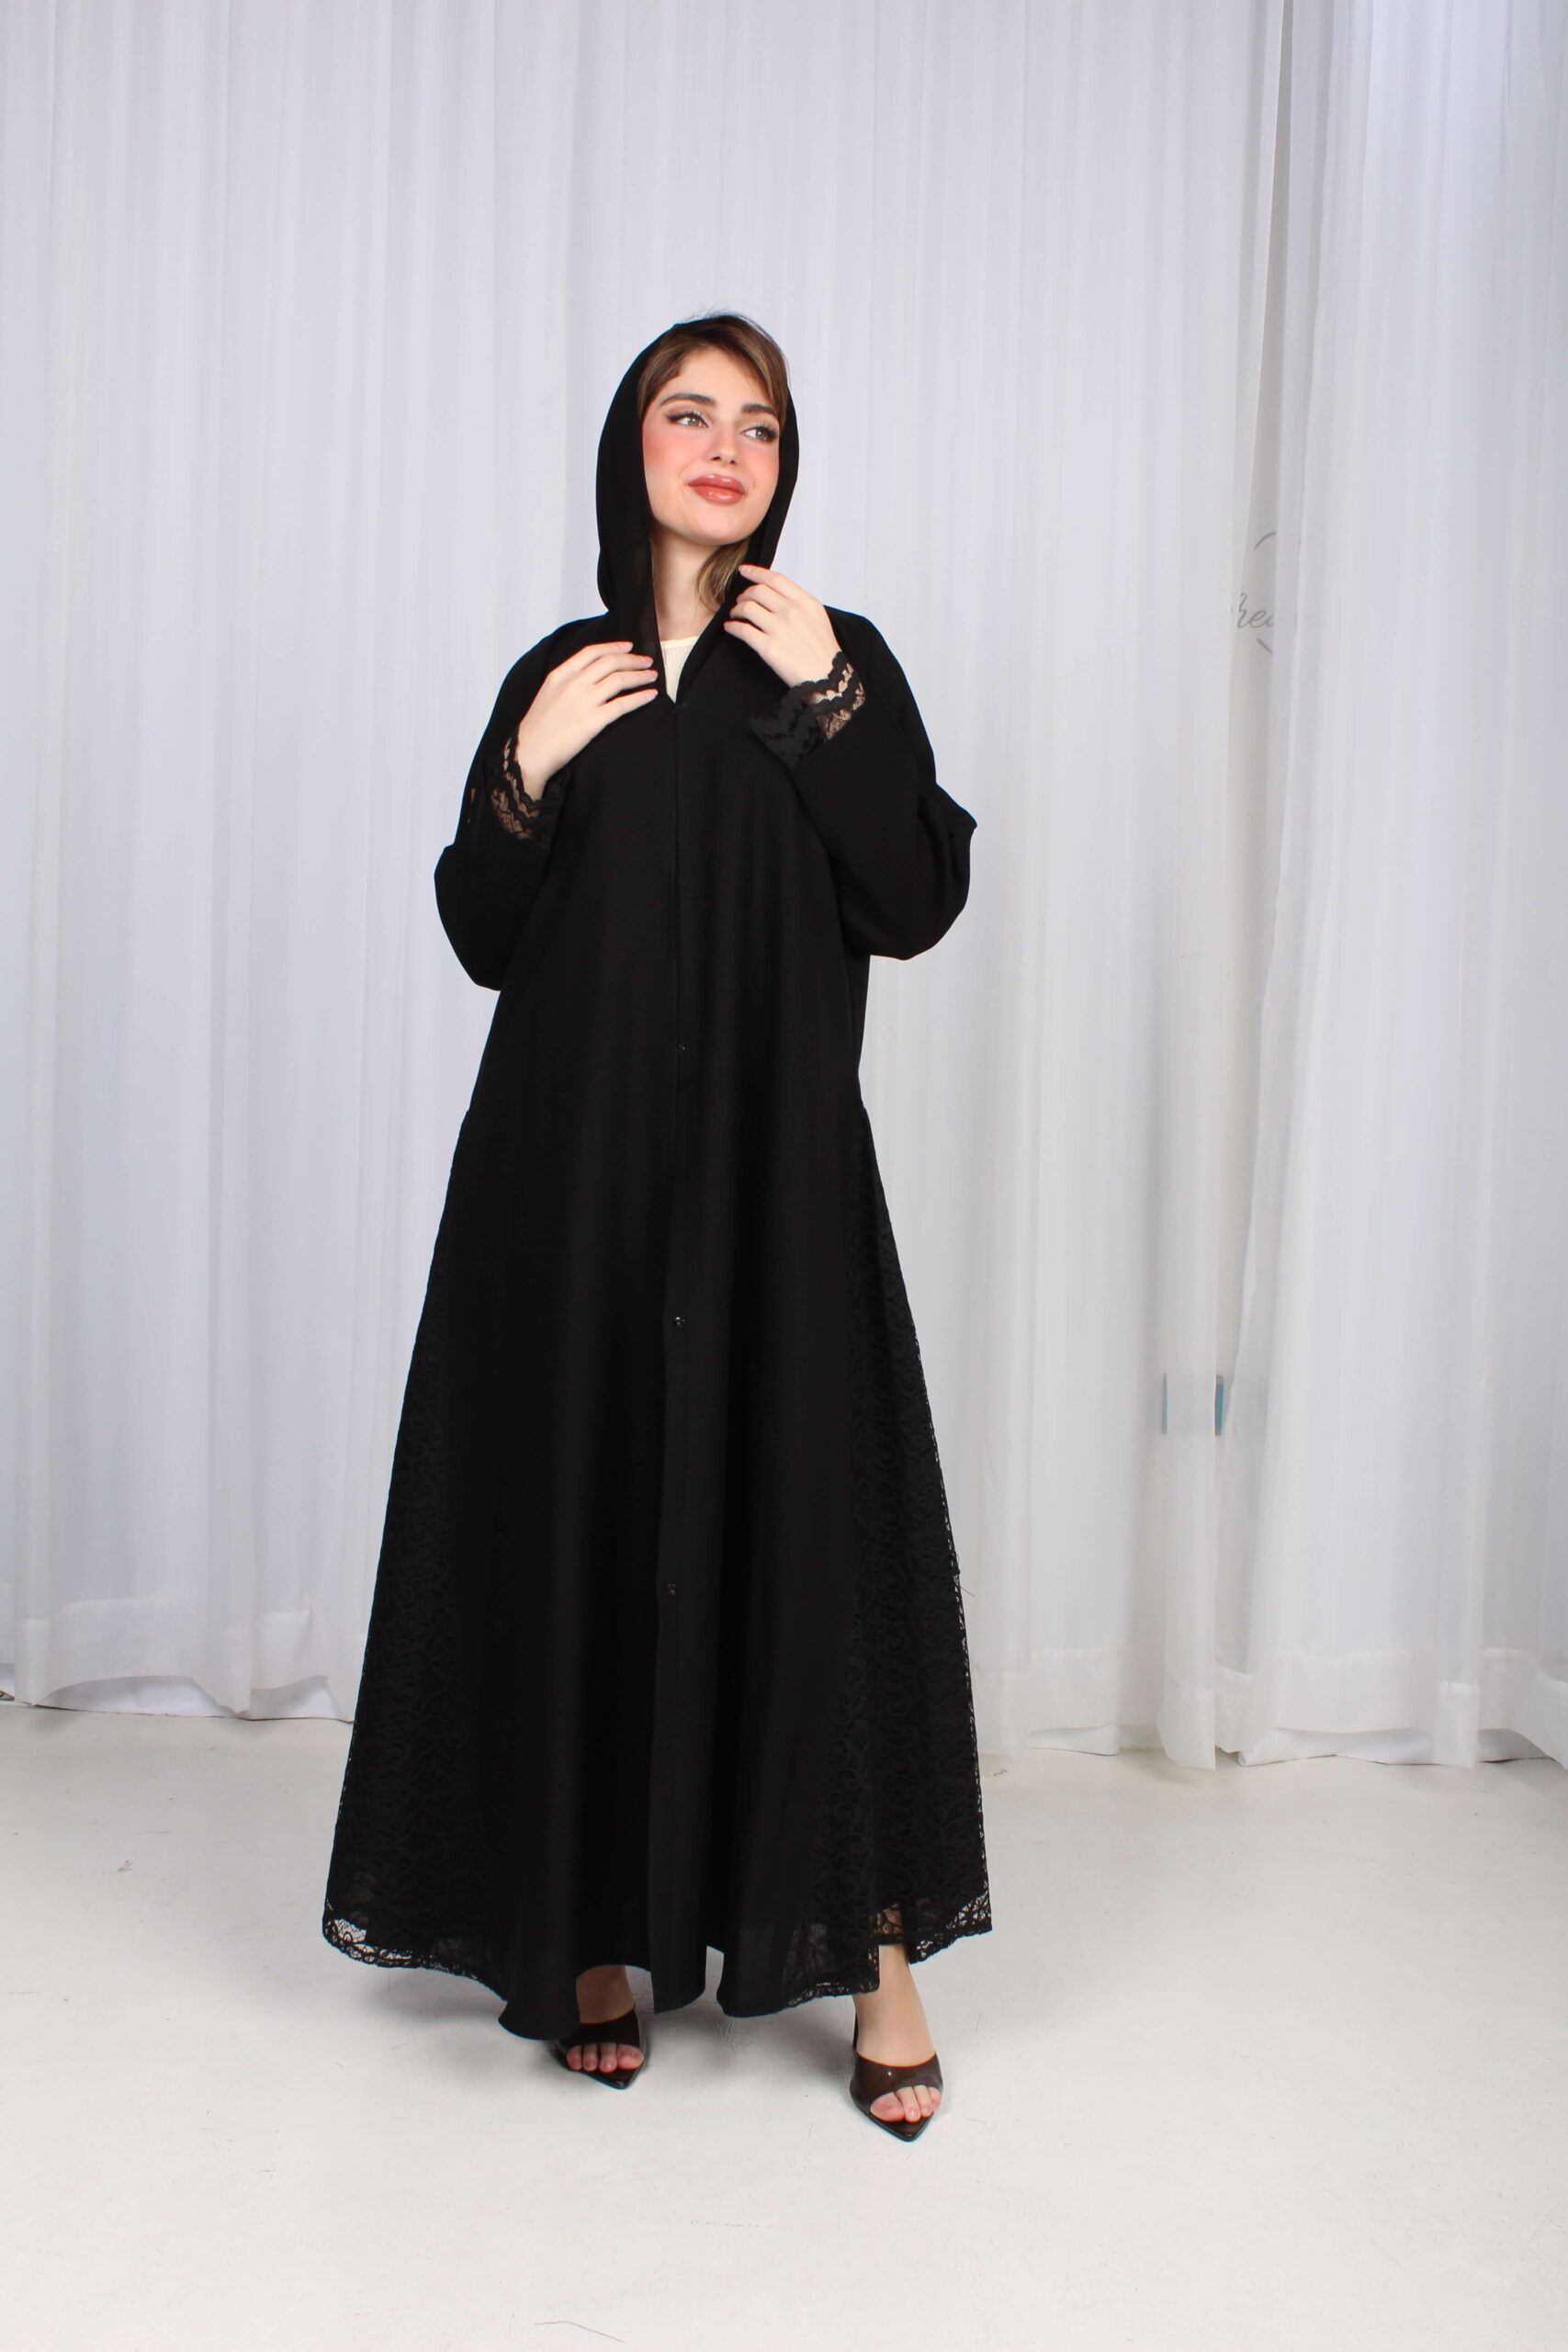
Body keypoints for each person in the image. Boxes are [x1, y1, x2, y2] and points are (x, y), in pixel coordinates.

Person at [322, 312, 991, 2141]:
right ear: (630, 447)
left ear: (785, 463)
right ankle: (590, 1931)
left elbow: (913, 898)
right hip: (570, 1188)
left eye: (756, 424)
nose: (722, 447)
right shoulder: (566, 669)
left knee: (810, 1546)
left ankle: (878, 1962)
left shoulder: (829, 660)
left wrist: (833, 698)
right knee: (588, 1528)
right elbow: (483, 931)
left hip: (776, 1187)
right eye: (687, 414)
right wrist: (525, 774)